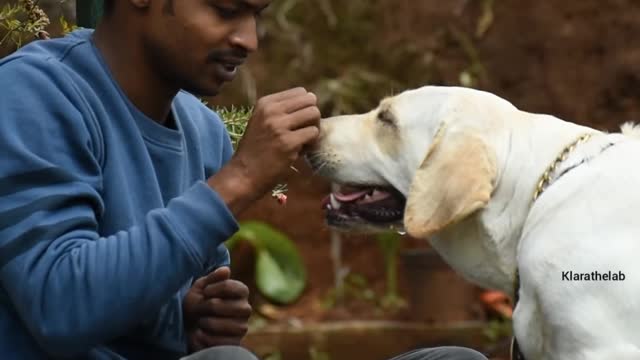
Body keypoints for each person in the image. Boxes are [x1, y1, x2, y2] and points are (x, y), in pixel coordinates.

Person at [0, 0, 490, 359]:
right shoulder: (35, 93)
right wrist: (243, 176)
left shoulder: (203, 130)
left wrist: (192, 321)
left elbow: (187, 339)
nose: (248, 40)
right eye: (226, 10)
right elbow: (58, 307)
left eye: (256, 15)